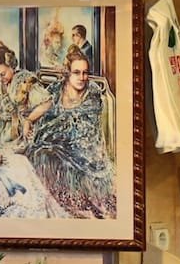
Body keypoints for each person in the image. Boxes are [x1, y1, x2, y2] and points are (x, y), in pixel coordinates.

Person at [22, 46, 116, 219]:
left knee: (49, 156)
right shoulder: (57, 89)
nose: (82, 77)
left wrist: (60, 131)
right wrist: (28, 120)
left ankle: (70, 206)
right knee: (37, 154)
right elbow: (44, 107)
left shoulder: (92, 93)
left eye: (85, 73)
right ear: (68, 73)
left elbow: (85, 129)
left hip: (81, 148)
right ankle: (49, 205)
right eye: (77, 72)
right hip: (55, 141)